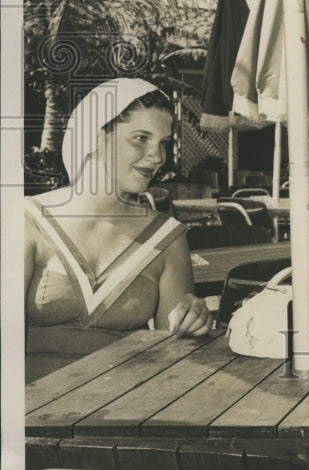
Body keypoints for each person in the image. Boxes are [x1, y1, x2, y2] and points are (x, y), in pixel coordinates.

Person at [25, 78, 212, 382]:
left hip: (123, 413)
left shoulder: (168, 238)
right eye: (141, 138)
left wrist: (192, 324)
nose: (158, 156)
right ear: (98, 136)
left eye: (163, 143)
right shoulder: (29, 220)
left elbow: (175, 358)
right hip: (32, 418)